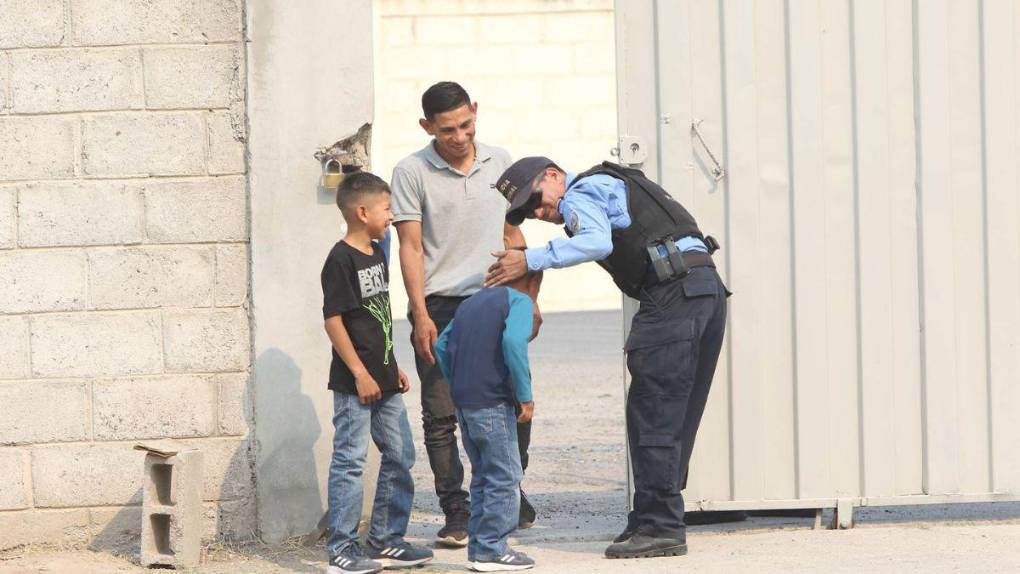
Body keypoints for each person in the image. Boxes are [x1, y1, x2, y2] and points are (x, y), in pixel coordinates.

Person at [486, 158, 729, 560]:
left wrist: (529, 259)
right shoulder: (612, 184)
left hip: (674, 295)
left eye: (535, 199)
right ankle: (652, 516)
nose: (538, 213)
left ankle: (661, 526)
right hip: (703, 289)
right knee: (672, 414)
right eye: (527, 213)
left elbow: (597, 241)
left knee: (652, 412)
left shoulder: (581, 191)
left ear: (553, 175)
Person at [391, 81, 542, 546]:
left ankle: (505, 492)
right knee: (441, 413)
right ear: (426, 127)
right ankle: (456, 511)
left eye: (466, 124)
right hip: (439, 302)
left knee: (512, 405)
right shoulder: (411, 171)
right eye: (447, 130)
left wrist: (530, 299)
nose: (459, 136)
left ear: (475, 112)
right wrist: (419, 315)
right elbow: (410, 247)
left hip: (494, 298)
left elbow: (515, 237)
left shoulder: (501, 160)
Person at [321, 172, 434, 574]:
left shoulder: (376, 251)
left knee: (401, 452)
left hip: (384, 378)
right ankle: (342, 550)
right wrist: (359, 373)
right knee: (350, 461)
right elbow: (333, 321)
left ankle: (386, 539)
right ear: (362, 211)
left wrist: (392, 364)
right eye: (387, 209)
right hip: (356, 385)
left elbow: (378, 318)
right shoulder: (340, 259)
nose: (392, 216)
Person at [433, 266, 538, 572]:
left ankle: (480, 548)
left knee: (482, 477)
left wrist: (459, 384)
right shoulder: (518, 302)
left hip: (465, 402)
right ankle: (494, 550)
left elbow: (442, 345)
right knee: (505, 476)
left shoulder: (468, 304)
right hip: (492, 401)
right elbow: (514, 343)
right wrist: (524, 394)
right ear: (527, 280)